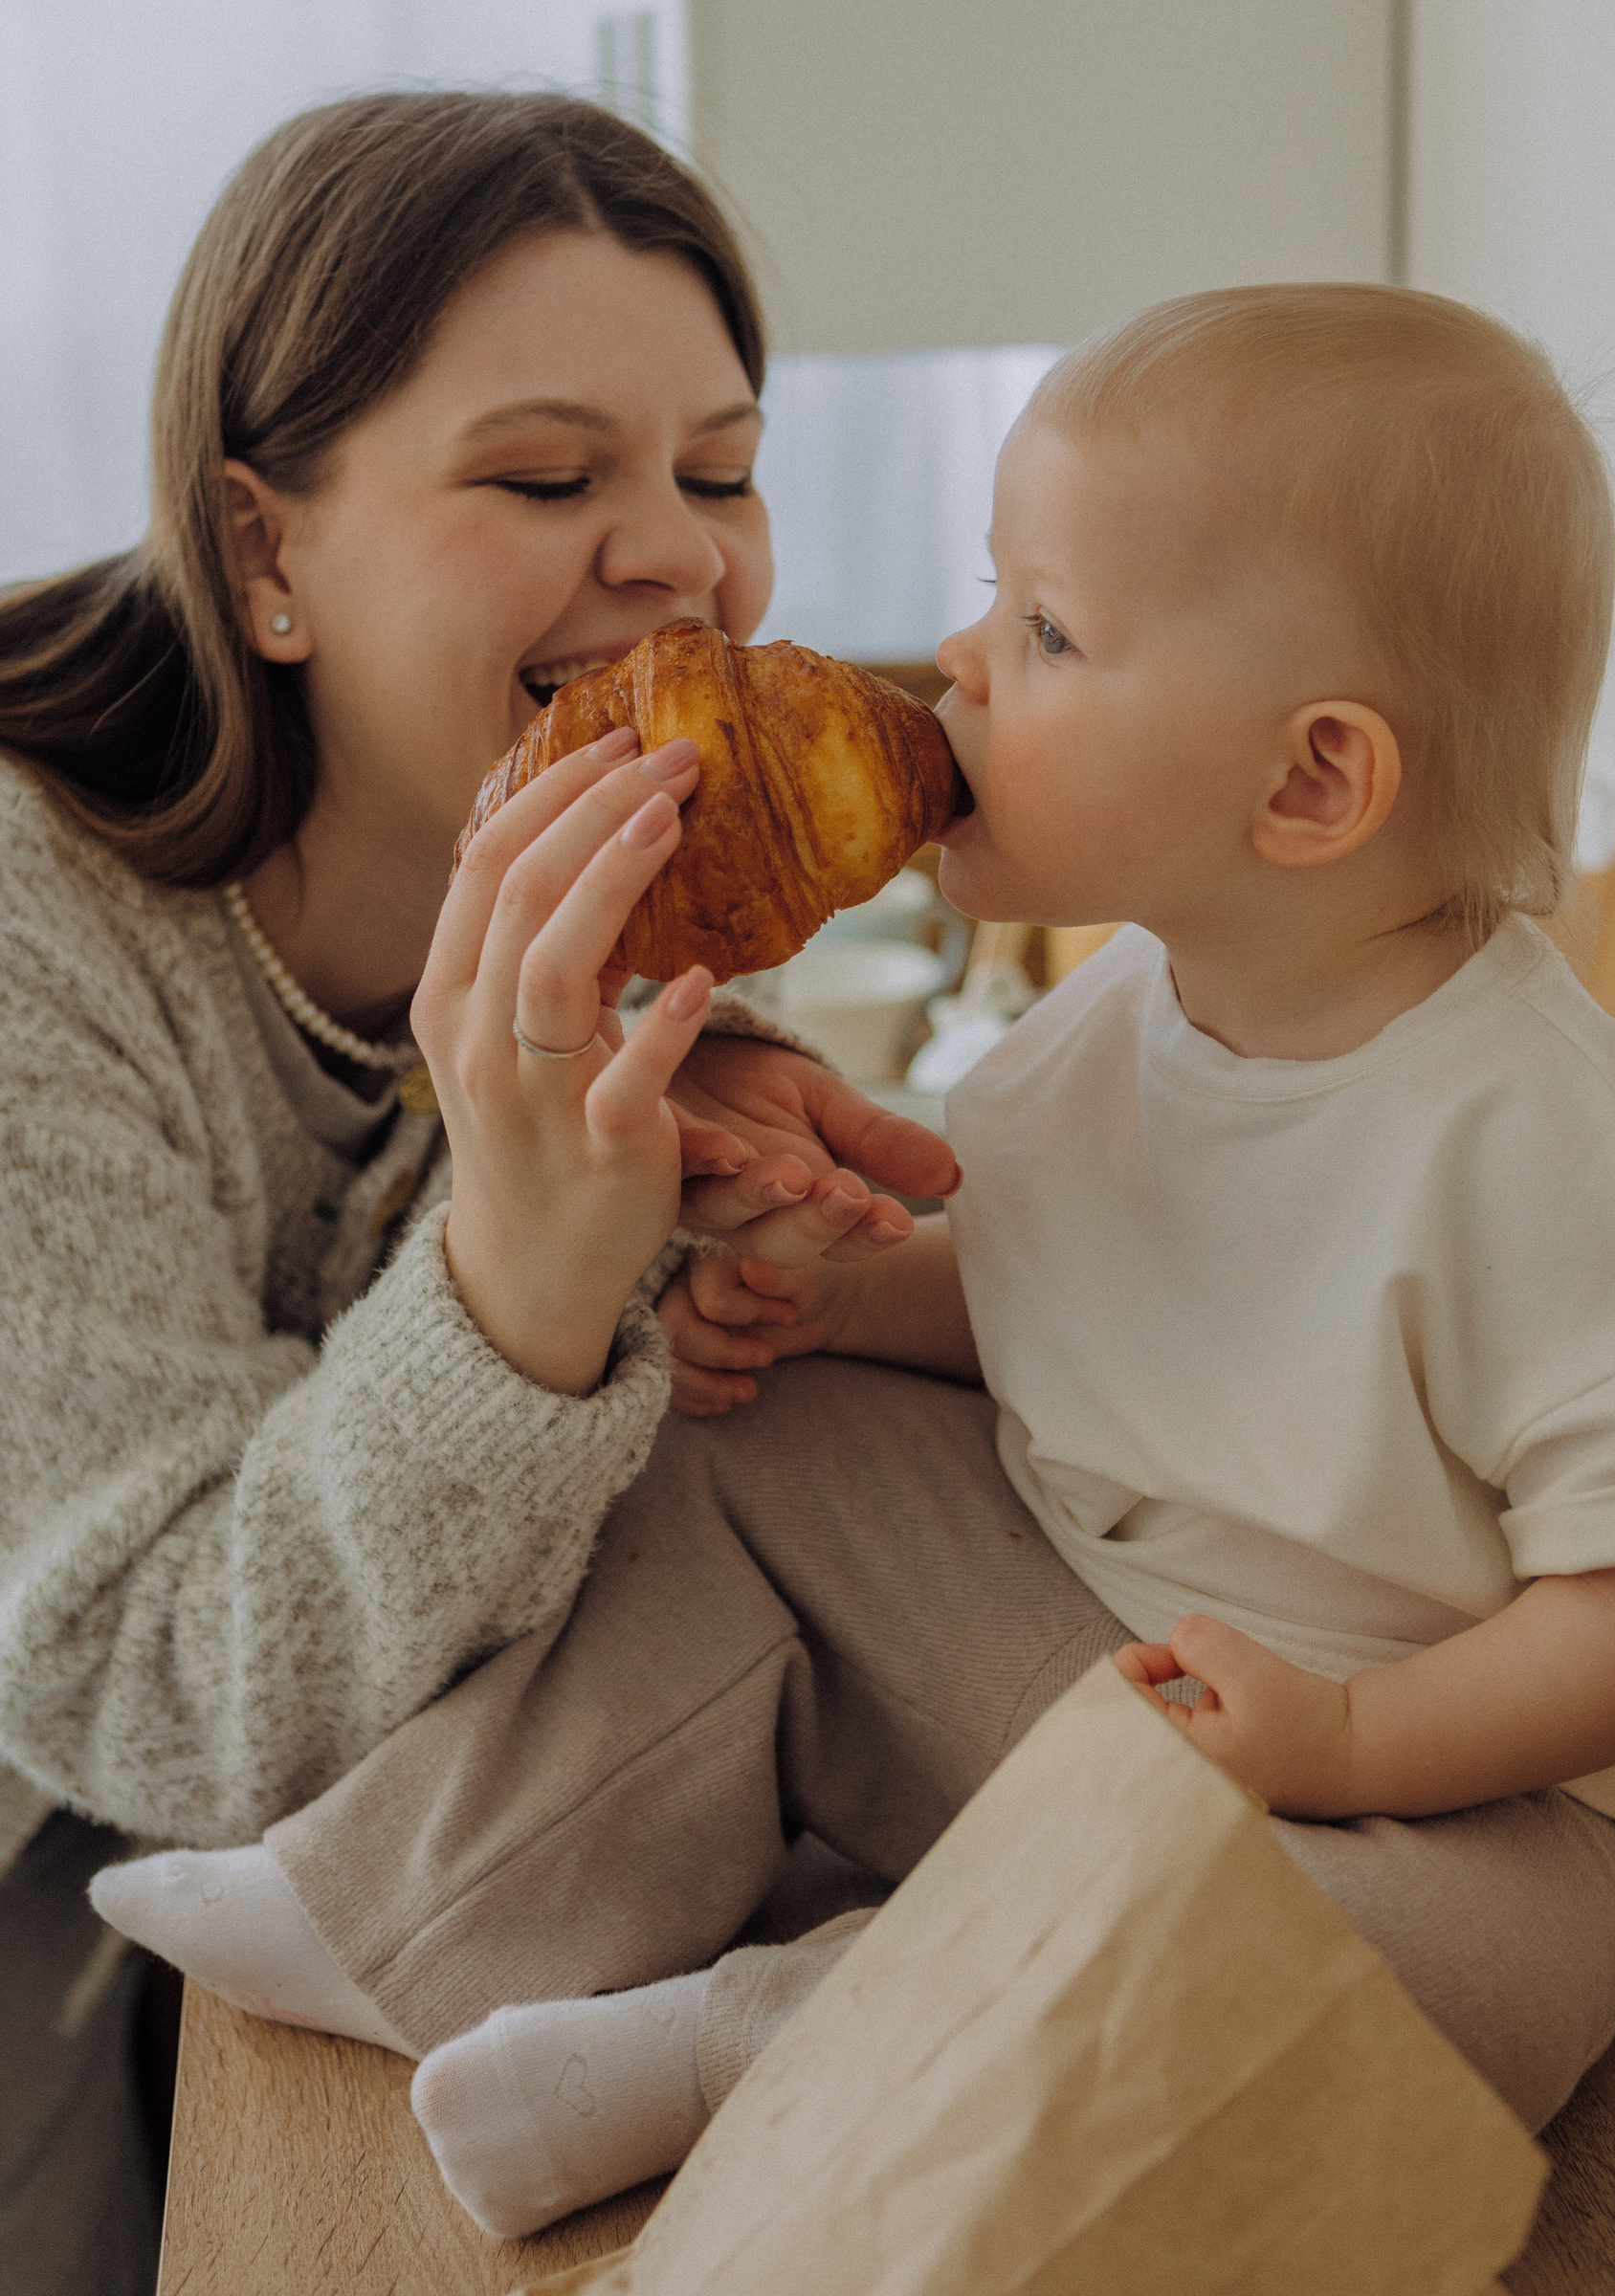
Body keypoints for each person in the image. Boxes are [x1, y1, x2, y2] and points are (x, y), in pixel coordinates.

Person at [99, 285, 1615, 2243]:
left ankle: (724, 2053)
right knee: (749, 1438)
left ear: (1310, 784)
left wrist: (1356, 1742)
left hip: (1487, 1802)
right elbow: (1060, 1289)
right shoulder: (1125, 1016)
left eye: (1047, 630)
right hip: (1112, 1652)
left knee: (1371, 1987)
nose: (957, 660)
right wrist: (849, 1299)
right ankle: (413, 1903)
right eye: (994, 598)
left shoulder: (1573, 1149)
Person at [0, 91, 963, 2295]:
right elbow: (151, 1692)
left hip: (277, 1860)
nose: (680, 560)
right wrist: (523, 1279)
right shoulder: (32, 927)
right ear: (262, 551)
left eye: (721, 472)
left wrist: (676, 1205)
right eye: (545, 479)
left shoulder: (583, 891)